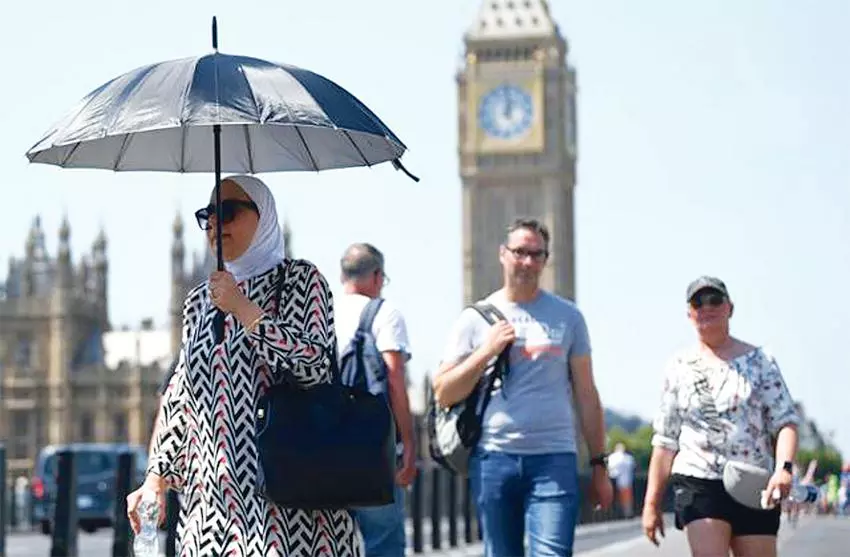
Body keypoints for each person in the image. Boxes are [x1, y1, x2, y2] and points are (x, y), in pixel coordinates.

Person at [126, 175, 362, 556]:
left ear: (265, 217)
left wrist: (243, 309)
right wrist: (156, 477)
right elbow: (181, 394)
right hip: (210, 510)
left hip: (285, 503)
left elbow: (315, 366)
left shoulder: (301, 281)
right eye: (208, 215)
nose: (216, 224)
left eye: (229, 212)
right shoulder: (199, 301)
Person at [432, 218, 613, 557]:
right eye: (520, 252)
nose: (527, 262)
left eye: (536, 254)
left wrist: (599, 466)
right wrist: (487, 350)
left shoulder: (569, 317)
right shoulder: (474, 319)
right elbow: (443, 392)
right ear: (503, 254)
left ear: (546, 260)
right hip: (493, 459)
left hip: (554, 458)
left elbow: (587, 395)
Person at [642, 276, 800, 557]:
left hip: (752, 479)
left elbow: (785, 421)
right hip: (699, 478)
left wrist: (784, 468)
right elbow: (665, 441)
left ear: (730, 308)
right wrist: (651, 504)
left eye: (715, 300)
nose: (707, 307)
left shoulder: (760, 361)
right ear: (689, 313)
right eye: (698, 302)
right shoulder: (679, 366)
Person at [334, 243, 417, 556]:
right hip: (371, 453)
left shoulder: (321, 312)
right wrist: (408, 444)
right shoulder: (384, 313)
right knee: (383, 541)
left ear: (343, 275)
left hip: (319, 452)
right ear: (378, 276)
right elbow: (394, 377)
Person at [607, 442, 636, 518]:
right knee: (626, 498)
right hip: (626, 480)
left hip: (614, 480)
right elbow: (633, 467)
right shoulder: (628, 458)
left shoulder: (612, 457)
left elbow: (609, 468)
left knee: (617, 498)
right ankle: (627, 512)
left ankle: (615, 513)